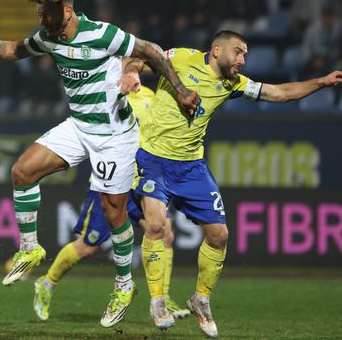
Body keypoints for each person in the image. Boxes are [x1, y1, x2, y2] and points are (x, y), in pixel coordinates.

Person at [0, 0, 199, 327]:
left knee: (114, 214)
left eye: (47, 12)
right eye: (39, 12)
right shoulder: (47, 38)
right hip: (79, 126)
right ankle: (30, 247)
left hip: (114, 137)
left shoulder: (101, 33)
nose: (41, 18)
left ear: (67, 11)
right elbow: (10, 50)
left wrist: (179, 90)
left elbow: (149, 50)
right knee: (22, 171)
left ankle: (124, 285)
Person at [128, 31, 342, 336]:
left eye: (245, 55)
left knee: (220, 236)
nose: (242, 60)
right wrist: (132, 72)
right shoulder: (182, 57)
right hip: (153, 159)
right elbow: (140, 58)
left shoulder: (233, 84)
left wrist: (321, 82)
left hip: (191, 167)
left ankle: (201, 299)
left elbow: (280, 93)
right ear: (217, 50)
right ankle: (158, 302)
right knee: (155, 224)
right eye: (238, 52)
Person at [32, 85, 190, 323]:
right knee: (87, 246)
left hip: (140, 180)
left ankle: (162, 299)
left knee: (164, 232)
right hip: (110, 182)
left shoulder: (151, 96)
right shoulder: (107, 93)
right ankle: (46, 283)